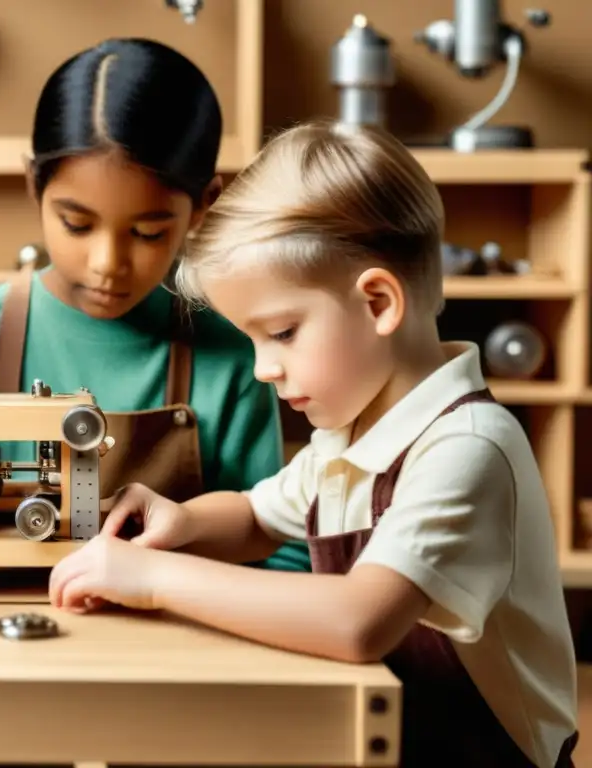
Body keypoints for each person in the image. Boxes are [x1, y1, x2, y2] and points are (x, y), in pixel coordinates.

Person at [48, 120, 579, 768]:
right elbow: (254, 517)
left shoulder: (465, 449)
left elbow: (357, 621)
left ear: (379, 302)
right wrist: (178, 520)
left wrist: (154, 576)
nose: (261, 368)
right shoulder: (347, 437)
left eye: (282, 333)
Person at [0, 37, 309, 572]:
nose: (107, 263)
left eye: (146, 232)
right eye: (77, 224)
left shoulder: (236, 352)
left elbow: (279, 551)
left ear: (203, 206)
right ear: (33, 186)